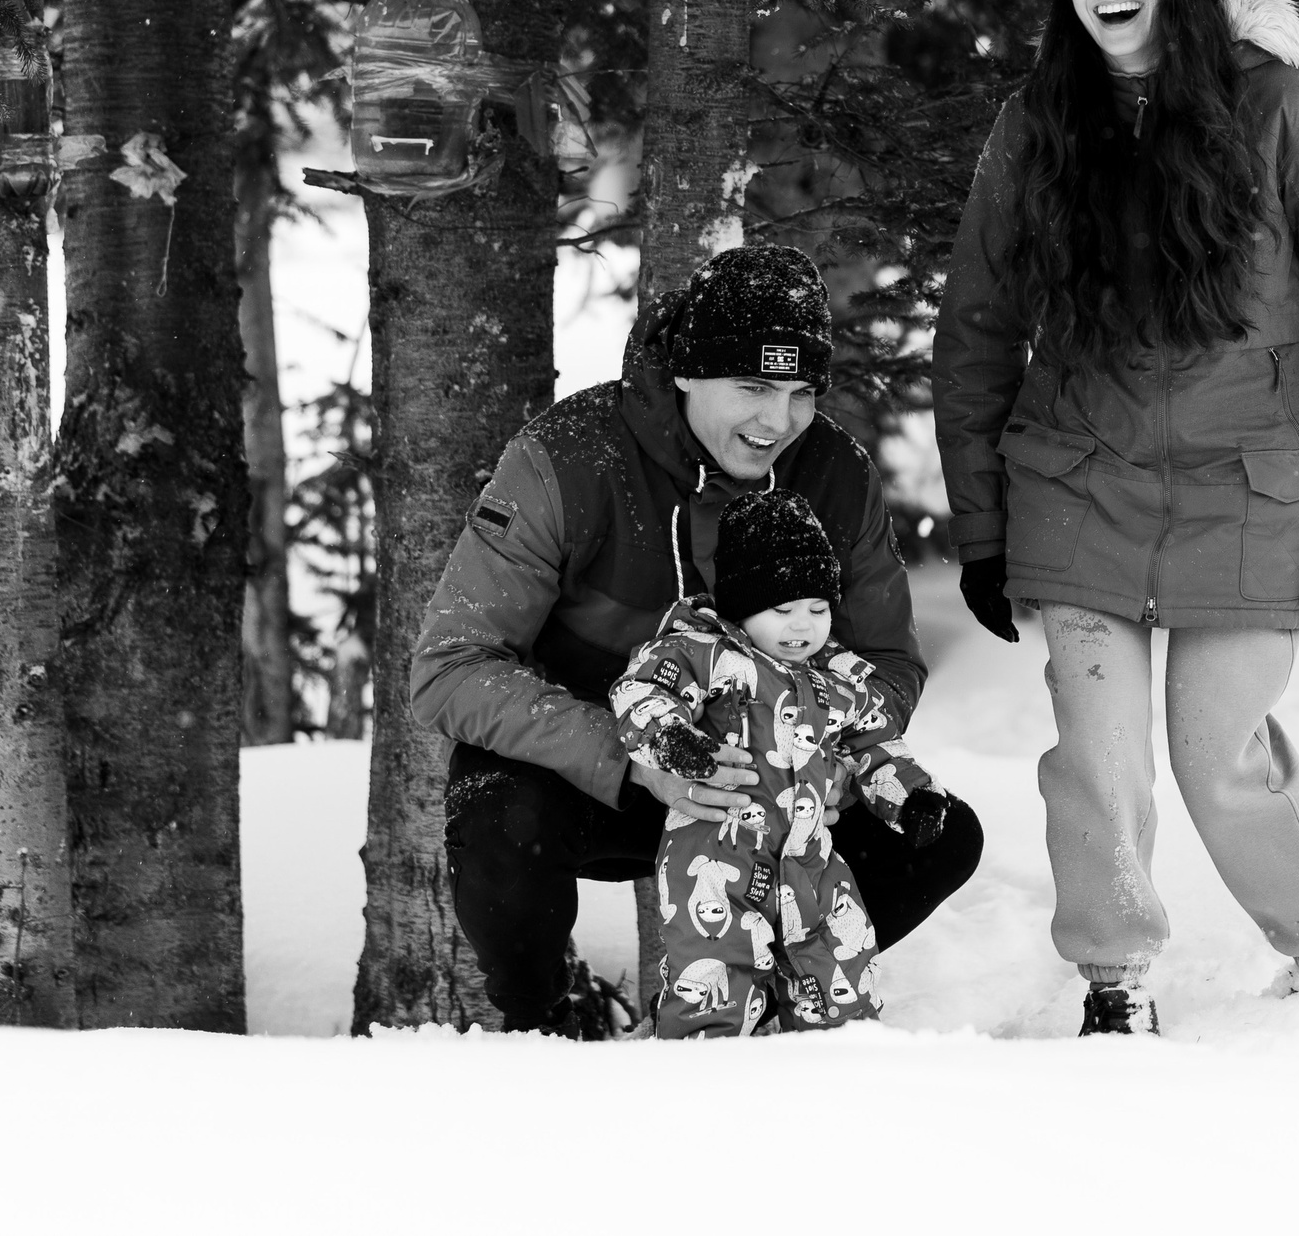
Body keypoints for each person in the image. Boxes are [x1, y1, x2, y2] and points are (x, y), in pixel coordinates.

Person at [931, 0, 1299, 1037]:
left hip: (1248, 498)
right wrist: (985, 529)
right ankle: (1115, 981)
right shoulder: (1036, 126)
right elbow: (978, 337)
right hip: (1076, 490)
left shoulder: (1284, 114)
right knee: (1097, 765)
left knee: (1220, 757)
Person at [413, 243, 985, 1035]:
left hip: (771, 795)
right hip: (604, 780)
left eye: (797, 392)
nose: (775, 421)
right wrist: (638, 760)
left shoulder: (834, 473)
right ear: (685, 370)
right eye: (751, 386)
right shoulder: (568, 459)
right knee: (494, 812)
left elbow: (889, 665)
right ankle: (544, 1025)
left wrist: (806, 749)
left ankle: (777, 1001)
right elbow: (450, 666)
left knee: (943, 835)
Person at [611, 489, 952, 1038]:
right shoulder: (706, 653)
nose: (803, 626)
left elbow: (875, 741)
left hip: (811, 860)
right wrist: (674, 741)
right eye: (784, 610)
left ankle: (838, 1062)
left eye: (818, 609)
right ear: (744, 606)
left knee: (840, 965)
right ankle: (707, 1076)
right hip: (716, 857)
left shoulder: (837, 675)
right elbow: (641, 693)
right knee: (715, 973)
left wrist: (912, 798)